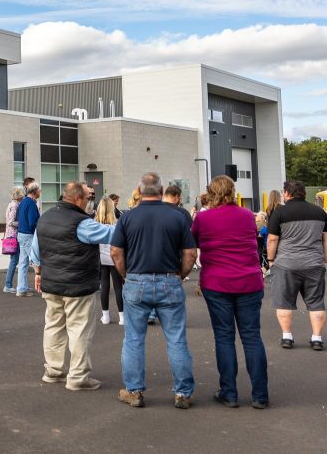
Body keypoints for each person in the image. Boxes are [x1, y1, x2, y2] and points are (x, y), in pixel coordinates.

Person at [111, 172, 197, 409]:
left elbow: (116, 252)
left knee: (134, 340)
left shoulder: (128, 218)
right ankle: (183, 392)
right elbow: (191, 253)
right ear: (161, 192)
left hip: (137, 281)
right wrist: (181, 274)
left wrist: (126, 275)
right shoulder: (177, 216)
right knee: (176, 339)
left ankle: (134, 390)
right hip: (169, 280)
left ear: (139, 192)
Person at [29, 182, 116, 391]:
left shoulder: (45, 218)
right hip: (78, 285)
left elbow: (35, 250)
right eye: (87, 198)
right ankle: (78, 376)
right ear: (77, 199)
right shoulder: (83, 223)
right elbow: (112, 234)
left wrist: (39, 273)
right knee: (79, 330)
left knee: (53, 327)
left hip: (51, 283)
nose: (88, 202)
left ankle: (53, 370)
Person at [192, 175, 269, 409]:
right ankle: (260, 394)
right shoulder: (247, 216)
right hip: (248, 280)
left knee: (224, 337)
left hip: (217, 282)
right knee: (252, 336)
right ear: (233, 192)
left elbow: (191, 243)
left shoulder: (203, 219)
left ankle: (229, 392)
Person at [266, 179, 327, 351]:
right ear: (303, 193)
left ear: (287, 193)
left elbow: (273, 239)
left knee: (283, 302)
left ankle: (287, 336)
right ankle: (317, 338)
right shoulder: (319, 212)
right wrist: (326, 258)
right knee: (316, 302)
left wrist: (271, 259)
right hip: (313, 263)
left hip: (285, 264)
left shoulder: (280, 213)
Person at [96, 196, 123, 325]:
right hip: (114, 258)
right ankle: (122, 317)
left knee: (104, 286)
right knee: (118, 287)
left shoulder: (95, 225)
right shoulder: (117, 225)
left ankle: (105, 316)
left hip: (101, 258)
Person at [16, 182, 41, 297]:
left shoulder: (23, 202)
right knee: (36, 261)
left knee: (23, 262)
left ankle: (22, 287)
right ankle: (42, 286)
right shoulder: (31, 203)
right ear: (35, 192)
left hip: (21, 233)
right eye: (39, 190)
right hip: (28, 234)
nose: (40, 192)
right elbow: (32, 222)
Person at [3, 186, 23, 293]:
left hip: (11, 235)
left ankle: (10, 284)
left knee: (15, 260)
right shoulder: (15, 205)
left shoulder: (11, 204)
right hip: (13, 236)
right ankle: (8, 285)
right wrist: (21, 223)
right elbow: (10, 222)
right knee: (14, 260)